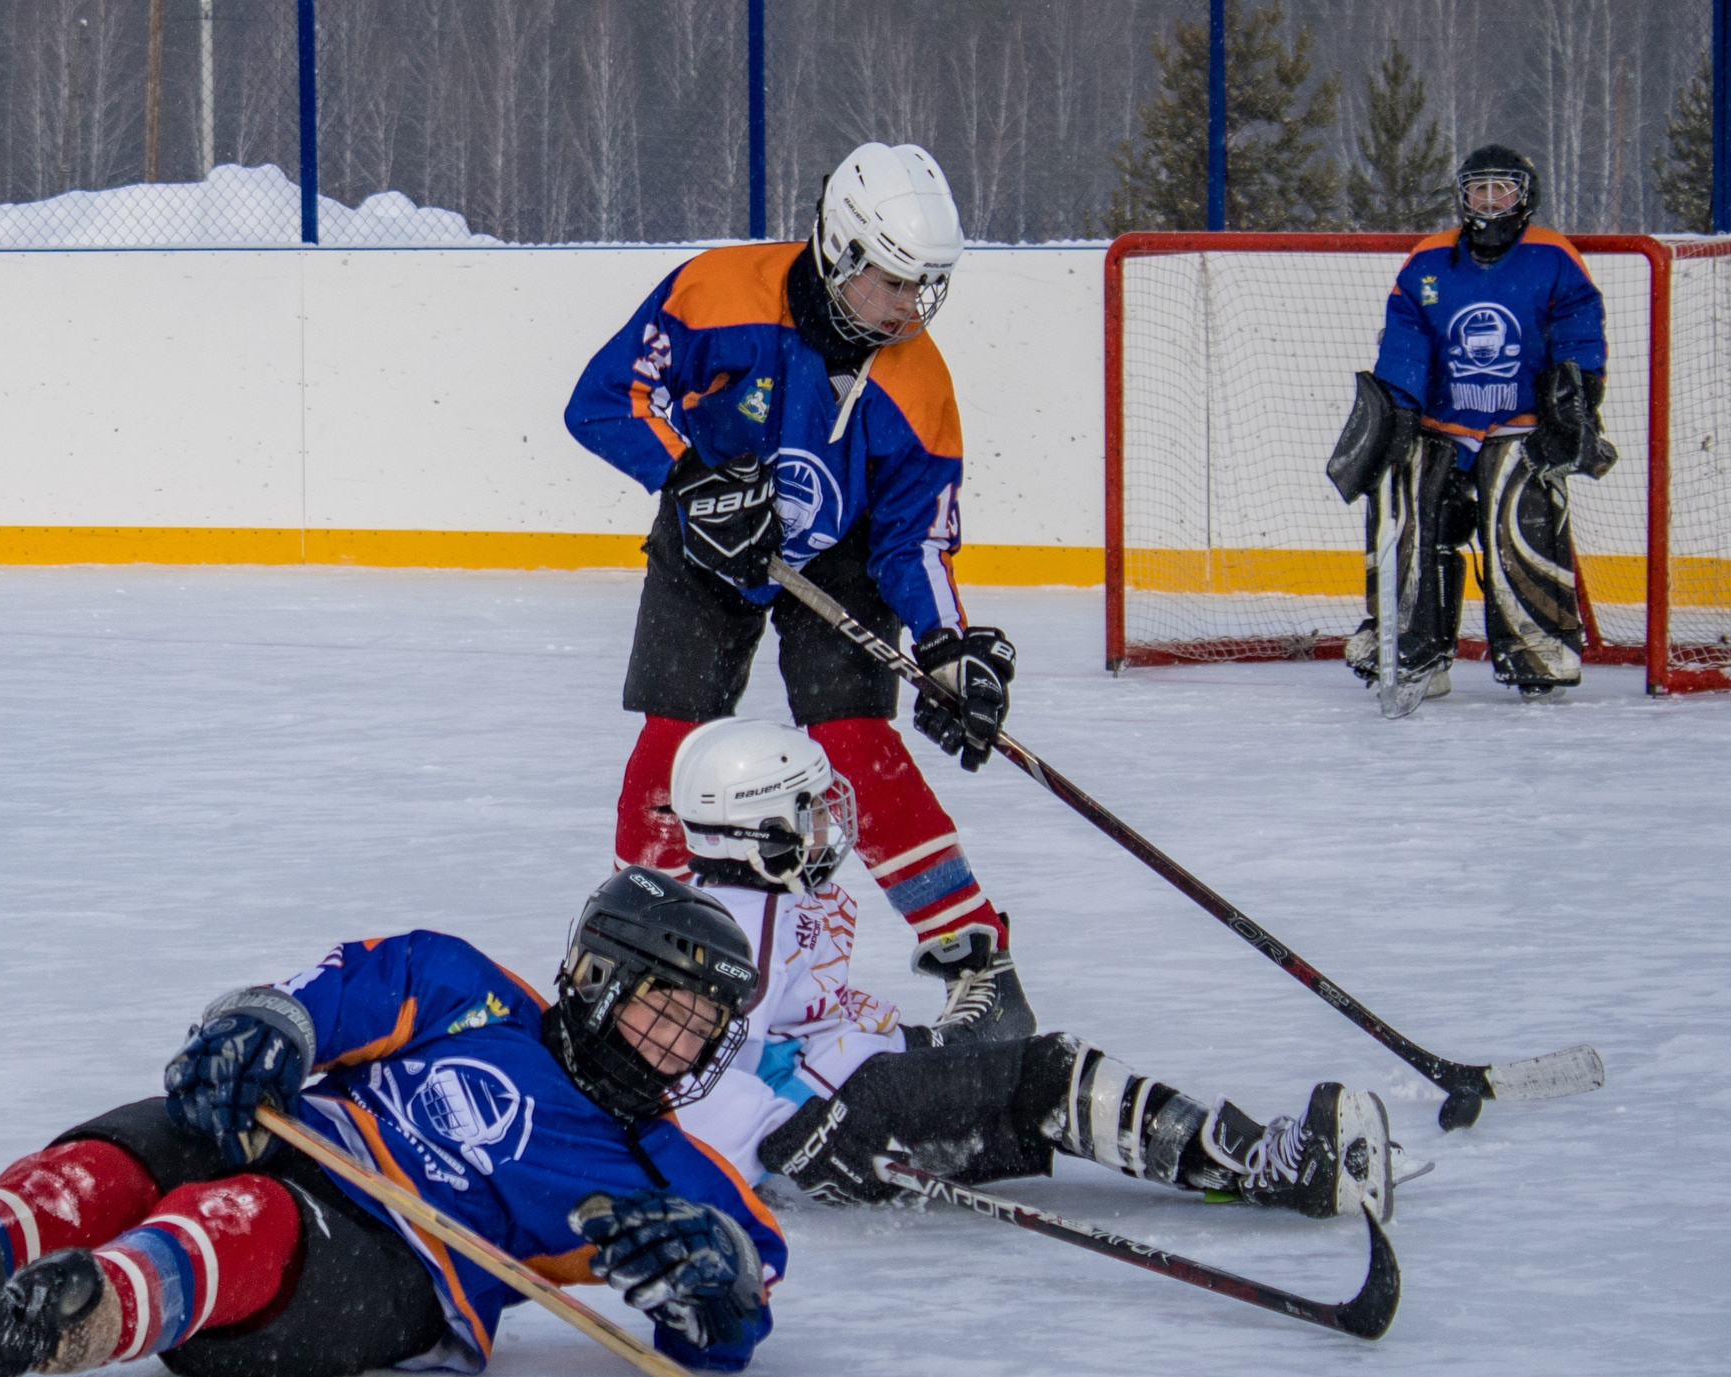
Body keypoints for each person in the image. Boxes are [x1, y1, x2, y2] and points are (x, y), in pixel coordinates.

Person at [0, 869, 789, 1377]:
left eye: (703, 1028)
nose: (683, 1046)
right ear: (598, 979)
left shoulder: (665, 1170)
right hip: (298, 1141)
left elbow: (742, 1286)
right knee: (132, 1157)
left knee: (245, 1221)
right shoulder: (466, 988)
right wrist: (262, 1029)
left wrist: (714, 1286)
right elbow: (327, 996)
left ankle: (59, 1317)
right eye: (669, 1011)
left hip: (392, 1273)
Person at [563, 140, 1031, 1042]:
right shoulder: (716, 294)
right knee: (673, 739)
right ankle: (633, 957)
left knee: (857, 743)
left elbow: (915, 535)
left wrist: (947, 645)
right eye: (893, 282)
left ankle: (978, 957)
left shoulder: (920, 382)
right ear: (841, 251)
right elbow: (602, 399)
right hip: (708, 526)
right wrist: (686, 477)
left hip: (840, 553)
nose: (909, 308)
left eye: (923, 286)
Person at [662, 719, 1394, 1220]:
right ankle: (1261, 1164)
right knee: (1049, 1076)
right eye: (810, 809)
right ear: (762, 831)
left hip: (855, 1079)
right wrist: (791, 1139)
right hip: (844, 1114)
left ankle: (1230, 1150)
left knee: (1014, 1069)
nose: (831, 821)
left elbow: (796, 1024)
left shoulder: (761, 900)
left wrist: (893, 1038)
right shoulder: (733, 929)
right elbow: (691, 1081)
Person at [1329, 144, 1616, 703]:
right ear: (1462, 196)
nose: (1488, 200)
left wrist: (1577, 395)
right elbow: (1407, 335)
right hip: (1444, 422)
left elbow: (1578, 328)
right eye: (1478, 189)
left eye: (1501, 189)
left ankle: (1539, 647)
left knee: (1519, 506)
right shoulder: (1430, 260)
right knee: (1406, 499)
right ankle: (1411, 643)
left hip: (1520, 421)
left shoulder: (1553, 257)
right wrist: (1400, 407)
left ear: (1524, 196)